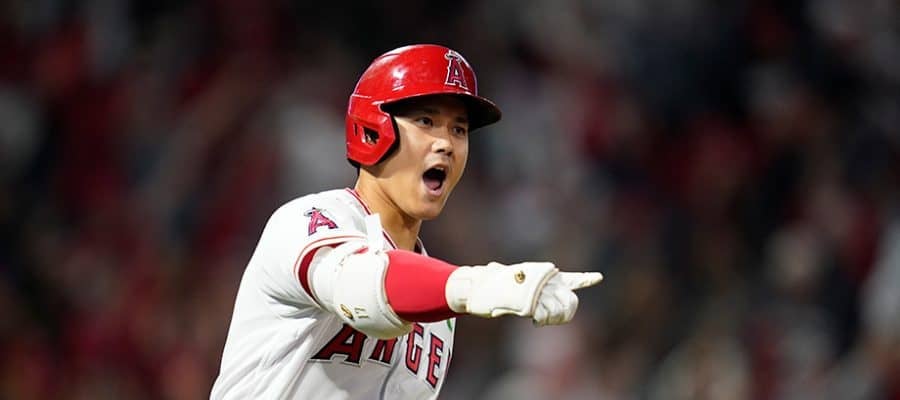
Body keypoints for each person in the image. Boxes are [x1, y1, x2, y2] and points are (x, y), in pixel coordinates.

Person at [210, 44, 603, 399]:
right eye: (426, 121)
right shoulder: (307, 221)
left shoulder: (440, 313)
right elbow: (363, 290)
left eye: (459, 129)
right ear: (371, 129)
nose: (446, 143)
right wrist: (474, 284)